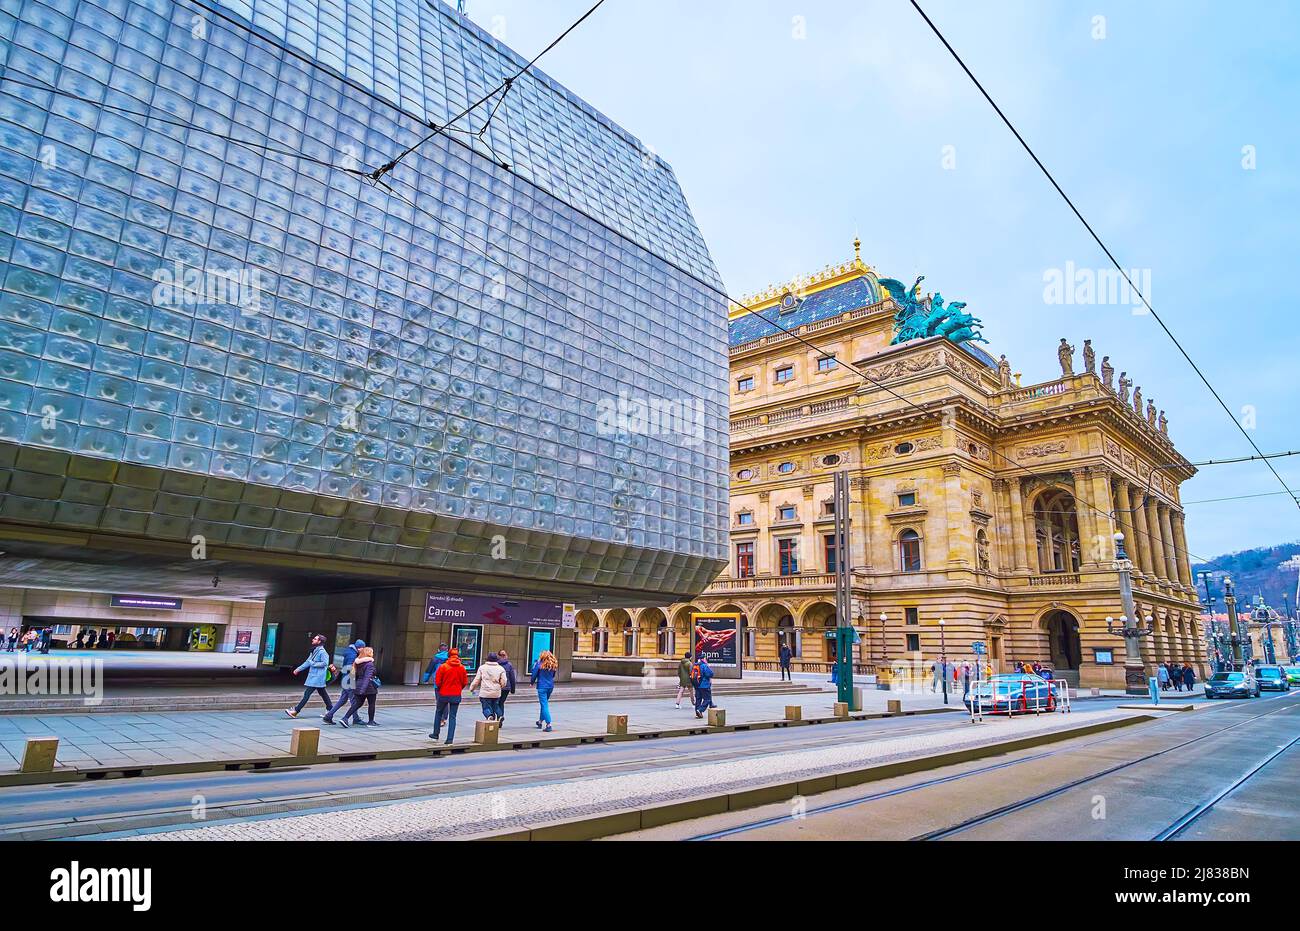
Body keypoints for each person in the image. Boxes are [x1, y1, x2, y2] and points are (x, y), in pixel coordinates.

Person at [286, 633, 333, 718]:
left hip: (317, 677)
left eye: (315, 639)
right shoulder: (314, 650)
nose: (313, 640)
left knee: (307, 693)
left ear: (319, 641)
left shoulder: (323, 652)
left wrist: (313, 663)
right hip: (315, 676)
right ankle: (330, 709)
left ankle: (296, 711)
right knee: (323, 693)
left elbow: (325, 663)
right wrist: (298, 669)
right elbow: (307, 662)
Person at [322, 639, 366, 725]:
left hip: (345, 678)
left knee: (343, 700)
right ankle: (353, 718)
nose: (363, 650)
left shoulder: (349, 652)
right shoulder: (352, 655)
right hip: (349, 679)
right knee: (354, 700)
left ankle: (328, 716)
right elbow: (350, 667)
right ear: (359, 647)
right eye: (362, 648)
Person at [429, 647, 469, 744]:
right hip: (456, 694)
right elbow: (464, 682)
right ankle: (449, 739)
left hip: (443, 693)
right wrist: (459, 689)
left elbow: (437, 682)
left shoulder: (443, 667)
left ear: (448, 656)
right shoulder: (462, 668)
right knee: (453, 716)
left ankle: (436, 733)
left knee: (439, 712)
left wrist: (440, 689)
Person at [339, 646, 380, 728]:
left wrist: (359, 688)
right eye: (372, 652)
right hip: (369, 687)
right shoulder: (369, 664)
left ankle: (345, 718)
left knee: (357, 704)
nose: (373, 654)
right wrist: (363, 689)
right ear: (368, 653)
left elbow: (356, 675)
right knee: (371, 704)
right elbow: (367, 677)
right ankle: (371, 722)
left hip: (358, 685)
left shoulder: (358, 663)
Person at [470, 652, 509, 722]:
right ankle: (500, 715)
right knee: (496, 705)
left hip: (485, 692)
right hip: (496, 692)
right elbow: (504, 680)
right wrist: (501, 686)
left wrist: (472, 688)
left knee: (485, 707)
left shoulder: (482, 668)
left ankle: (489, 716)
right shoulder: (500, 668)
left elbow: (477, 680)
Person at [530, 649, 558, 732]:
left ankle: (548, 724)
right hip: (550, 686)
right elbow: (553, 676)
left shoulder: (539, 664)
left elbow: (534, 674)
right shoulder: (552, 665)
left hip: (542, 687)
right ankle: (540, 721)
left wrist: (532, 682)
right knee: (544, 704)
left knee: (544, 705)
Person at [497, 649, 517, 725]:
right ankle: (500, 718)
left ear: (498, 656)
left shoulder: (496, 664)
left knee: (496, 703)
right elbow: (512, 678)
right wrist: (513, 689)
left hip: (498, 687)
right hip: (506, 687)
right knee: (501, 703)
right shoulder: (509, 665)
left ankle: (499, 716)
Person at [692, 654, 714, 719]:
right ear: (703, 659)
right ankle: (700, 710)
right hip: (704, 685)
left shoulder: (695, 665)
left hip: (697, 685)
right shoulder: (704, 665)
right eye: (705, 658)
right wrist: (707, 666)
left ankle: (697, 713)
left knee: (698, 699)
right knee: (707, 699)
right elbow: (710, 674)